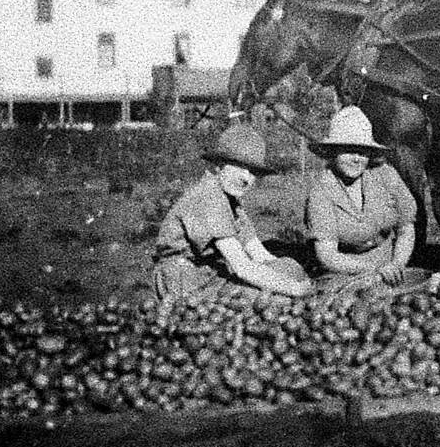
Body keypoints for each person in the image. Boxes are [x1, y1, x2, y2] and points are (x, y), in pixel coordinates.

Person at [153, 123, 313, 301]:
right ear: (220, 165)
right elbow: (241, 266)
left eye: (252, 172)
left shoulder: (232, 203)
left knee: (287, 268)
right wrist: (293, 288)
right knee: (271, 301)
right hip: (183, 277)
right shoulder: (209, 196)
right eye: (239, 167)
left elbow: (260, 254)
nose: (246, 178)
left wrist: (289, 270)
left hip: (209, 272)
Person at [305, 106, 417, 293]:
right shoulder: (322, 190)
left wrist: (398, 263)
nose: (357, 159)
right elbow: (327, 255)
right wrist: (372, 270)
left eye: (362, 152)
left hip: (389, 271)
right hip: (343, 274)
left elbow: (406, 227)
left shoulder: (385, 176)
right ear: (333, 152)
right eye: (348, 150)